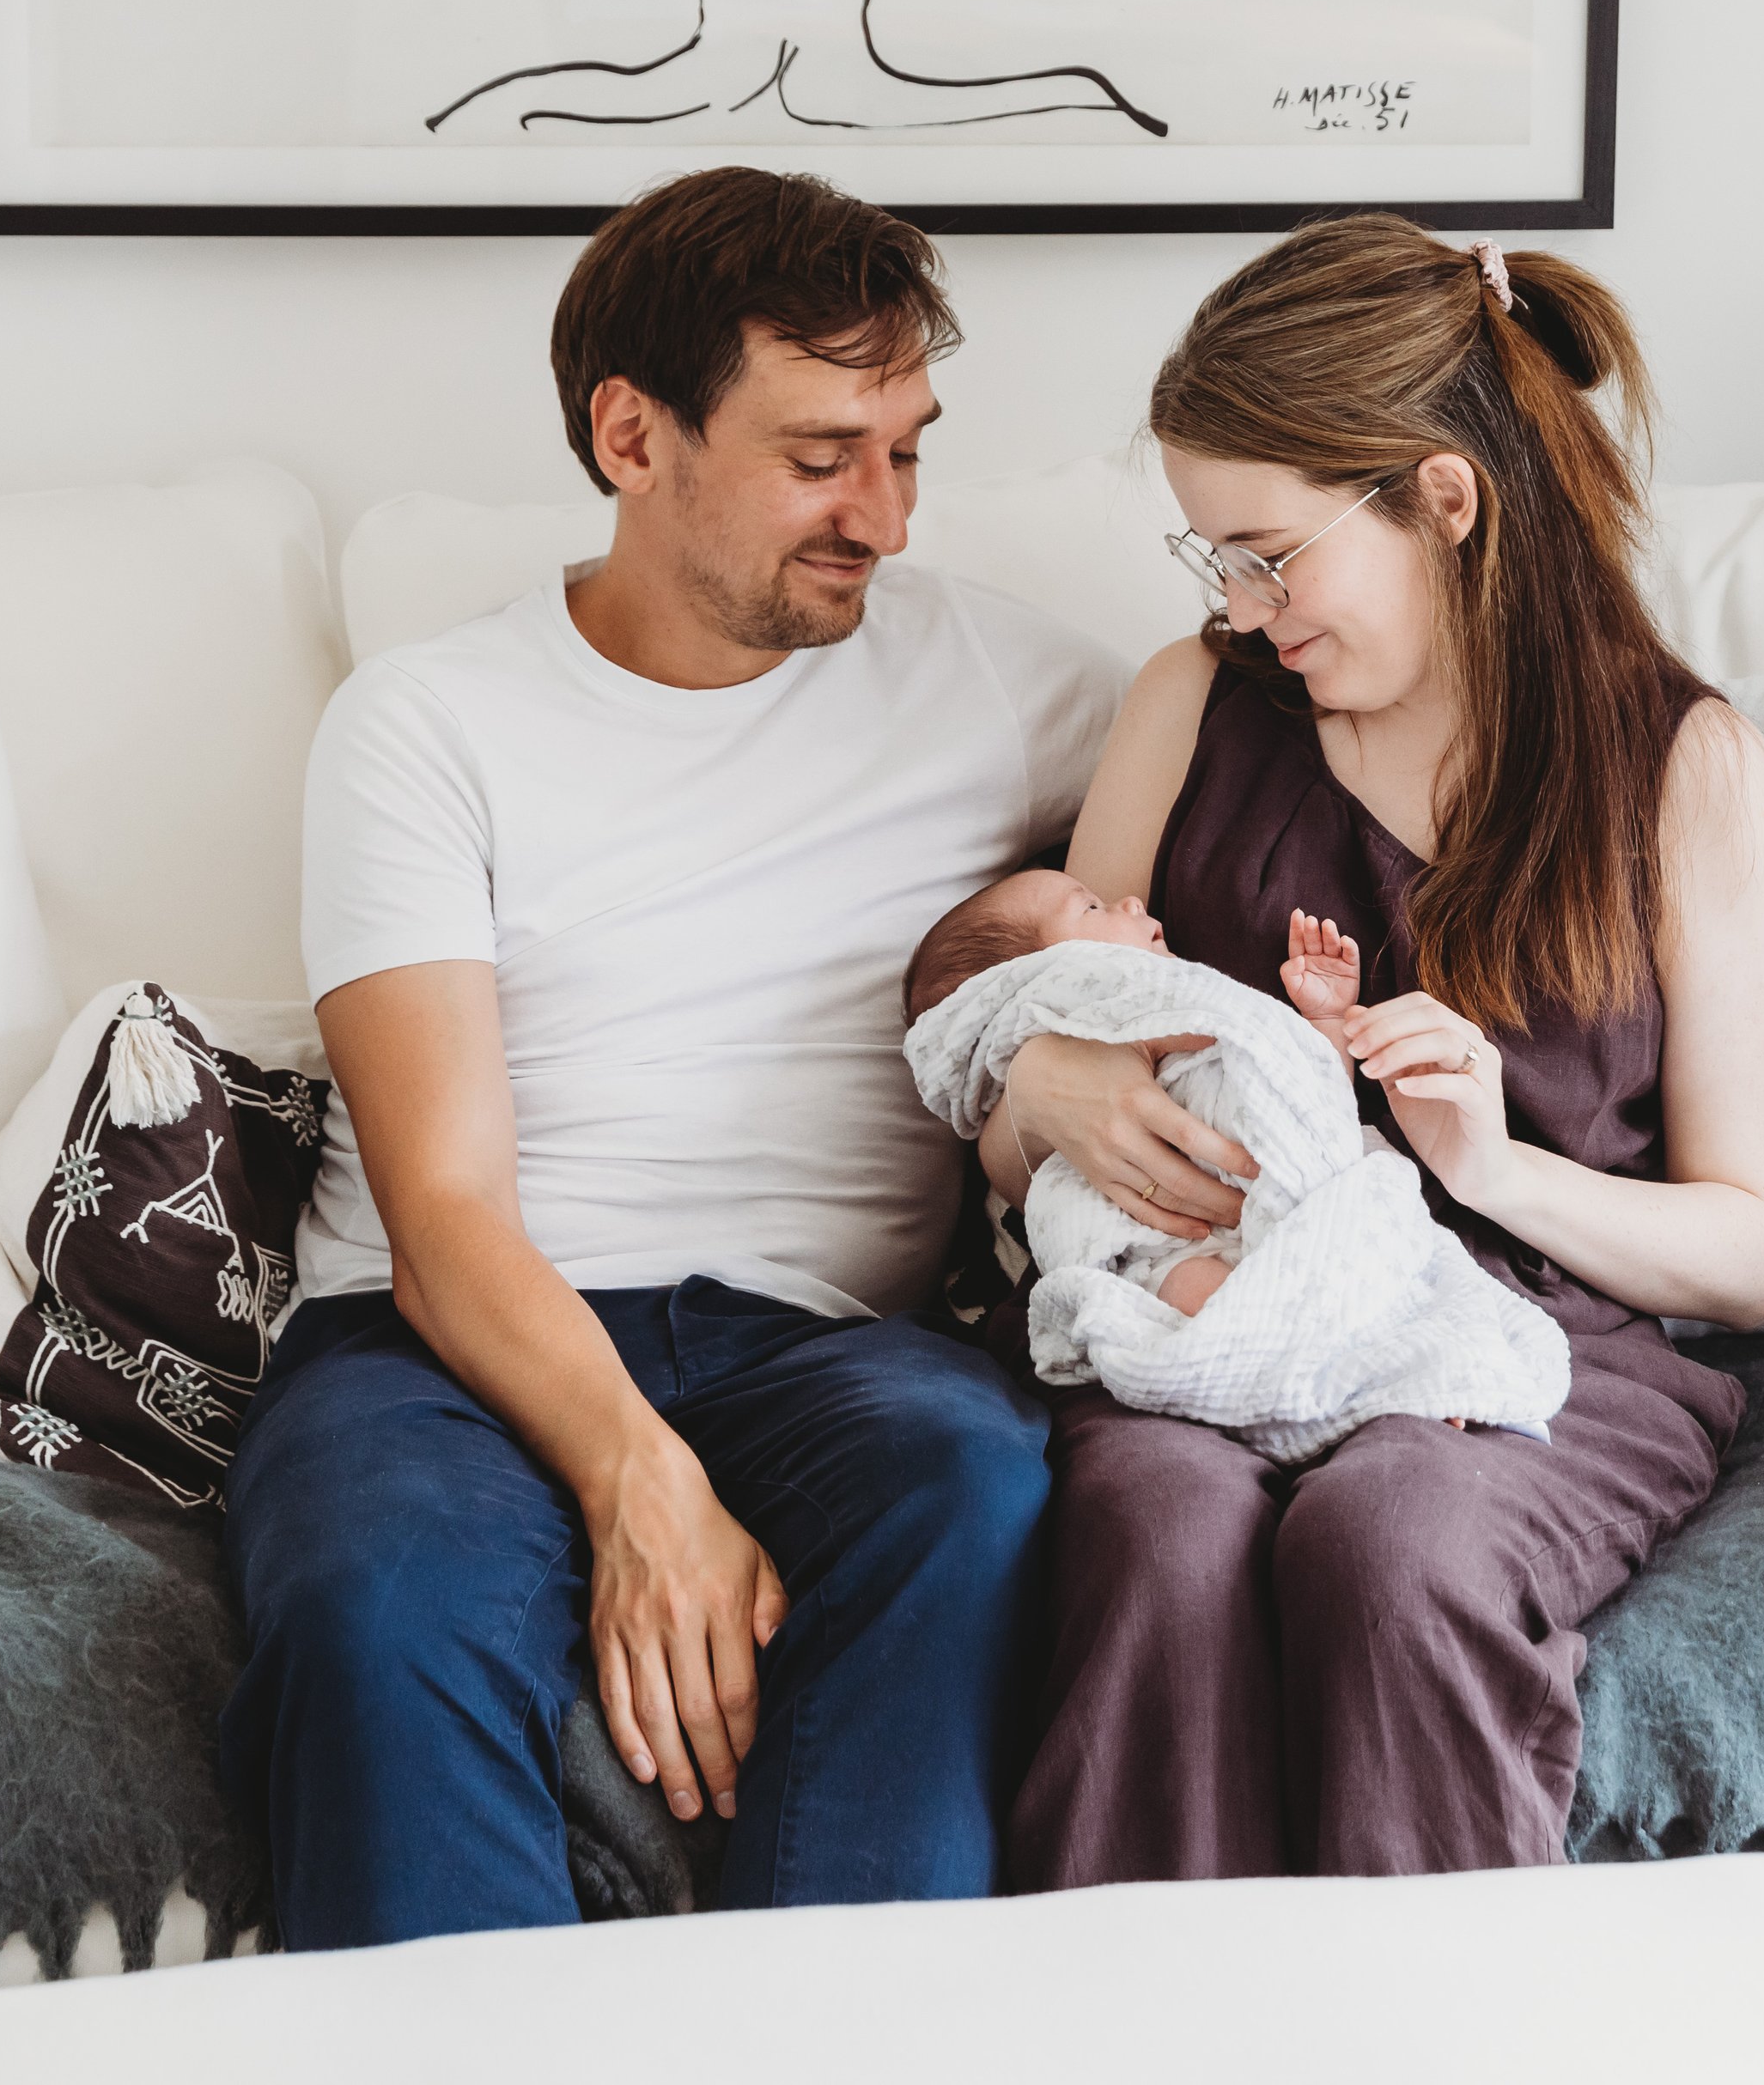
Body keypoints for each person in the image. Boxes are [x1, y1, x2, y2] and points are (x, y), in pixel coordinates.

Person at [218, 169, 1129, 1948]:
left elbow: (1330, 760)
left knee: (972, 1478)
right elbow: (444, 1214)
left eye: (907, 451)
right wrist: (640, 1480)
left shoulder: (1008, 684)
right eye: (822, 457)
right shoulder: (427, 722)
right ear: (631, 435)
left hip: (825, 1347)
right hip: (446, 1341)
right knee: (378, 1592)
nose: (884, 517)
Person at [982, 217, 1764, 1885]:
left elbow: (1744, 1247)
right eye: (1211, 556)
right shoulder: (1188, 705)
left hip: (1541, 1334)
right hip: (1223, 1296)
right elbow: (1036, 1091)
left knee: (1396, 1536)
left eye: (1269, 553)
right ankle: (1137, 2010)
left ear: (1443, 497)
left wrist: (1491, 1167)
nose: (1240, 602)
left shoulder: (1684, 769)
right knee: (1155, 1523)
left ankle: (1437, 2009)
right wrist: (1036, 1092)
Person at [904, 875, 1360, 1316]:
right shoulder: (1116, 1014)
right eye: (1092, 907)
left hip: (1321, 1207)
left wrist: (1327, 1023)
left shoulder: (1175, 1008)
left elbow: (1319, 1110)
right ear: (1044, 974)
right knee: (1187, 1287)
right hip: (1179, 1251)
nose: (1131, 901)